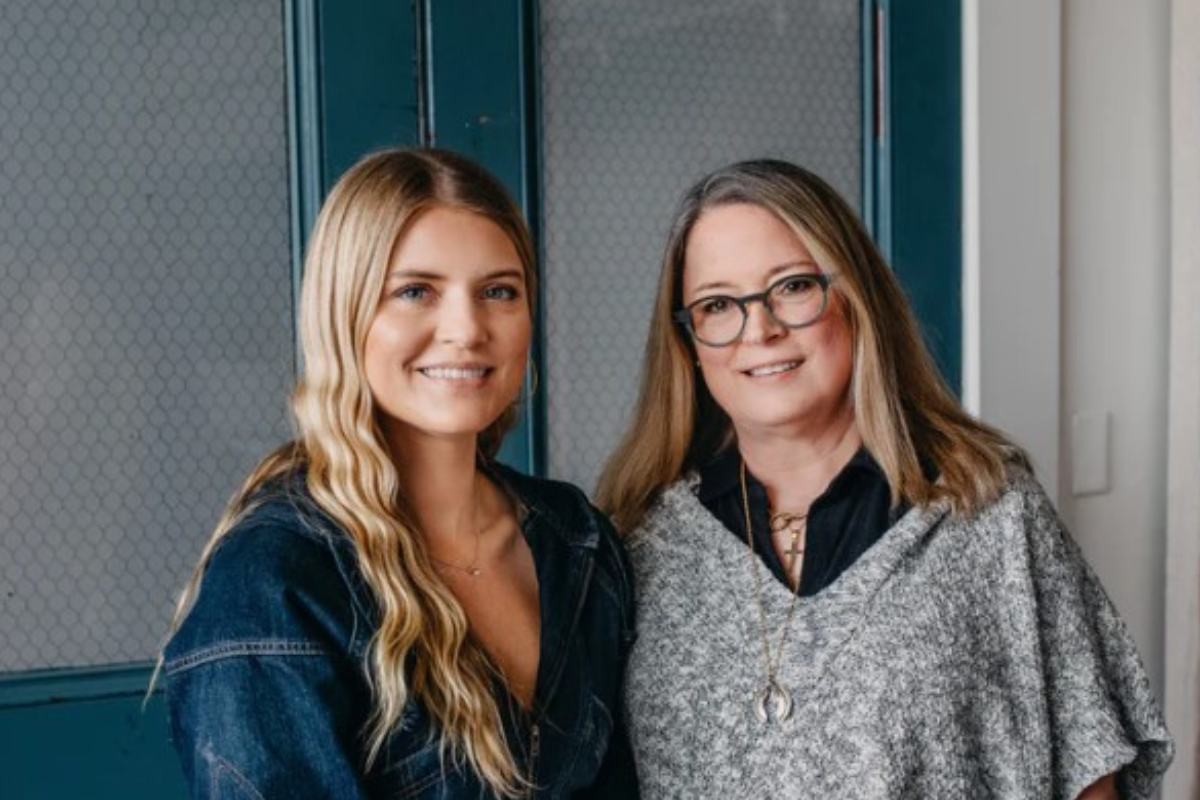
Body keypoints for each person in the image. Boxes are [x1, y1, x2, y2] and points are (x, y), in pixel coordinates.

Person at [597, 159, 1172, 799]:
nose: (758, 330)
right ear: (688, 340)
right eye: (717, 304)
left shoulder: (990, 510)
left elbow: (1089, 771)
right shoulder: (638, 545)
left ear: (855, 295)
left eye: (791, 287)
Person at [159, 148, 637, 800]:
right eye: (415, 292)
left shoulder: (575, 539)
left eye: (499, 291)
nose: (466, 329)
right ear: (346, 313)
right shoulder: (275, 578)